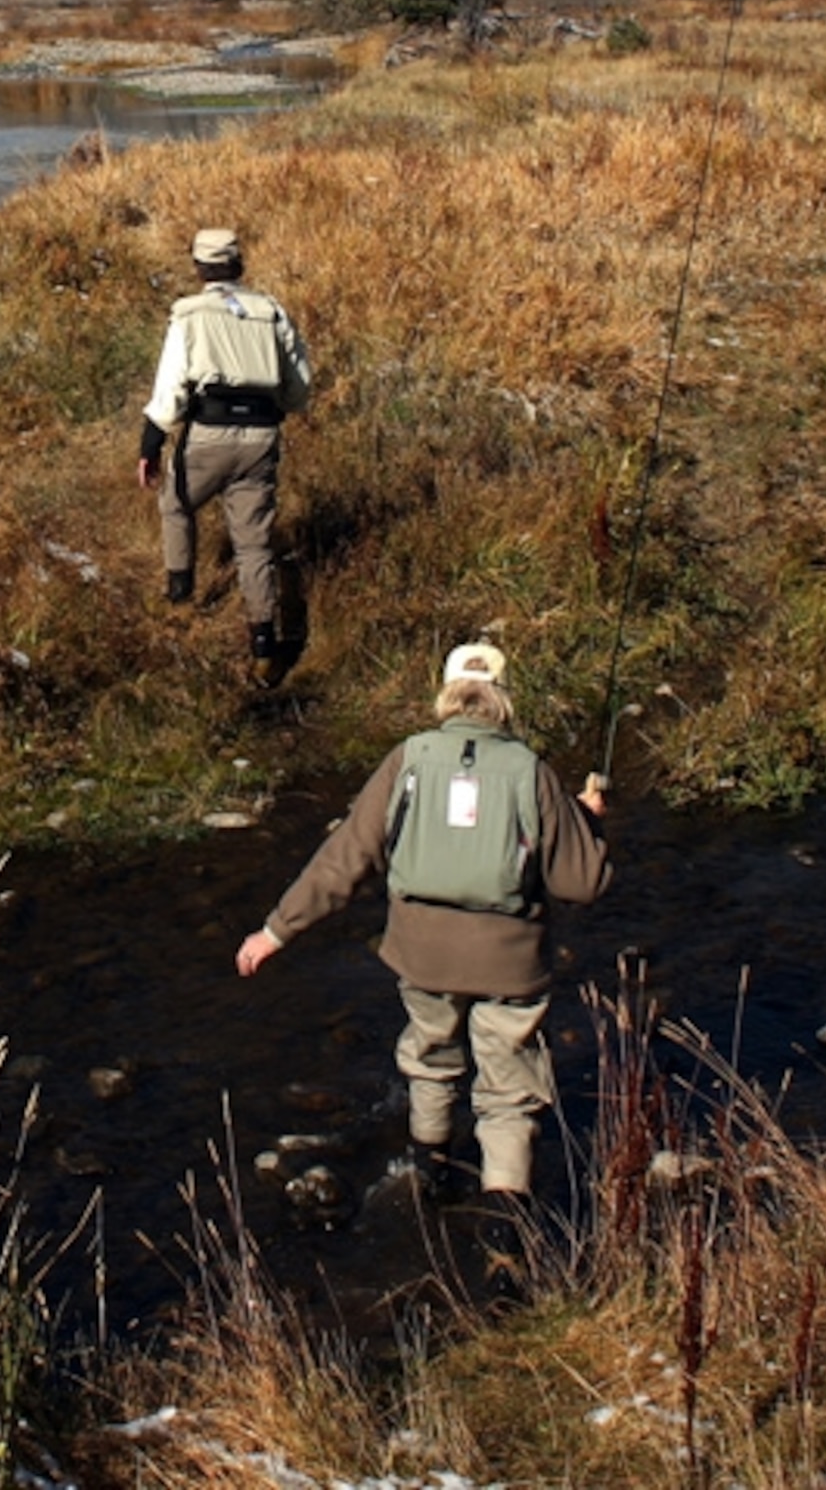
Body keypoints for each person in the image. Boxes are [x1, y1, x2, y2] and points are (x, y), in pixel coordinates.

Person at [234, 643, 609, 1195]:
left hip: (421, 956)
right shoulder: (531, 771)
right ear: (503, 698)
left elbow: (345, 858)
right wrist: (589, 823)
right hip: (510, 965)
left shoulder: (407, 760)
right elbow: (583, 883)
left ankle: (430, 1172)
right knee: (507, 1094)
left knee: (431, 1060)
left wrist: (275, 931)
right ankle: (505, 1231)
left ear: (448, 693)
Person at [136, 226, 313, 670]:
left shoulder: (189, 315)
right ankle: (263, 644)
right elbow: (299, 384)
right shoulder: (270, 312)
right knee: (253, 544)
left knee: (175, 504)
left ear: (199, 269)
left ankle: (179, 602)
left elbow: (170, 387)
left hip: (207, 431)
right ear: (239, 265)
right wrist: (280, 408)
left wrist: (151, 445)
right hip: (262, 436)